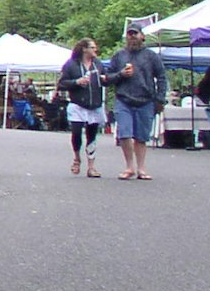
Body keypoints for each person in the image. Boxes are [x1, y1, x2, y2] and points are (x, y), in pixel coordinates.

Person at [109, 24, 168, 180]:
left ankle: (141, 168)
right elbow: (107, 78)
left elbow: (161, 77)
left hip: (145, 100)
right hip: (123, 99)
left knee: (141, 137)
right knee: (124, 133)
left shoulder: (151, 56)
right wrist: (121, 74)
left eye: (135, 34)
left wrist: (160, 99)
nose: (132, 37)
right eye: (129, 34)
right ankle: (129, 167)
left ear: (142, 36)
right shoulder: (119, 56)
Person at [56, 38, 107, 178]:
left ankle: (91, 166)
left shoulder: (98, 64)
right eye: (92, 47)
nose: (95, 50)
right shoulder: (71, 65)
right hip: (77, 105)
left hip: (94, 105)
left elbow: (106, 78)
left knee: (92, 135)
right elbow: (61, 84)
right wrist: (76, 82)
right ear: (84, 49)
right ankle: (77, 157)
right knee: (76, 133)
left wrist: (107, 79)